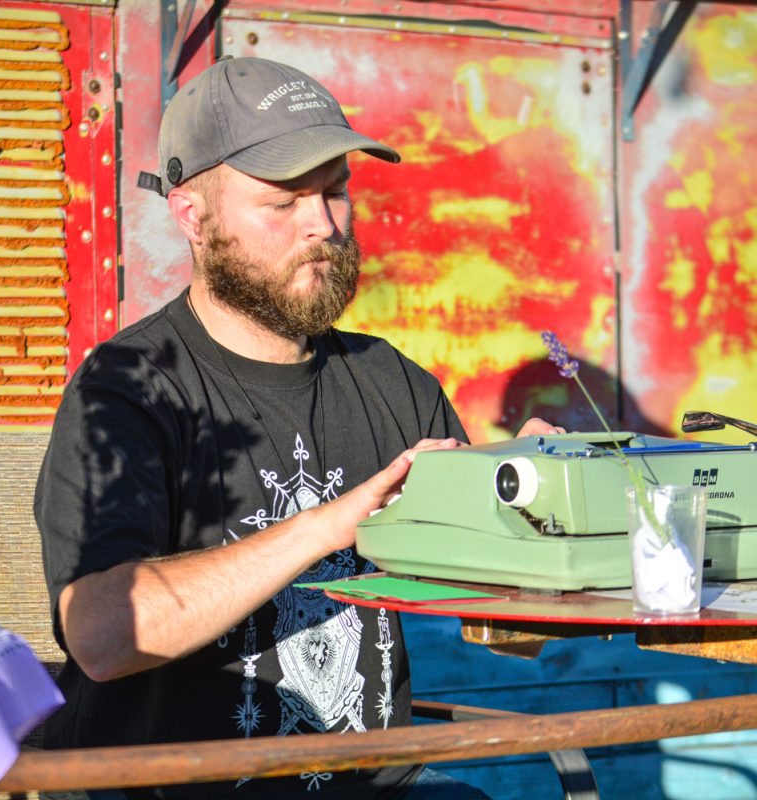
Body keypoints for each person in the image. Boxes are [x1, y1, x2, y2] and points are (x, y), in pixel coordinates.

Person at [35, 56, 560, 800]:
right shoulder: (128, 389)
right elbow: (101, 638)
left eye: (336, 191)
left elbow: (513, 629)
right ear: (193, 213)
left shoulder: (391, 382)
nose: (323, 224)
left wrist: (536, 507)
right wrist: (325, 527)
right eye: (284, 200)